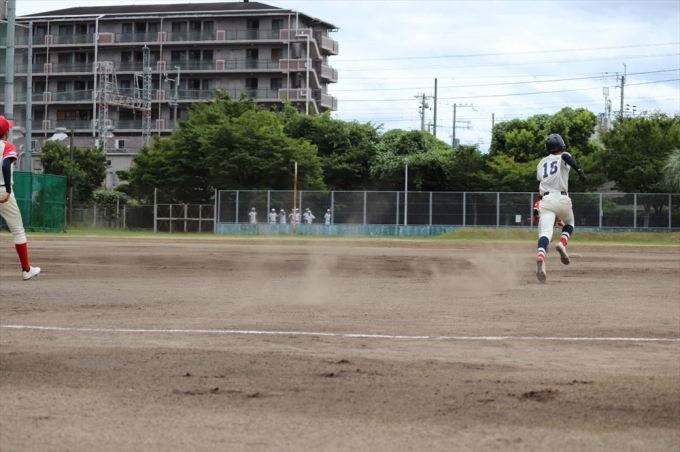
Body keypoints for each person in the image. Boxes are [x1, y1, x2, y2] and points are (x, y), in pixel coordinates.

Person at [535, 133, 587, 283]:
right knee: (569, 223)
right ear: (562, 145)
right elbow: (565, 157)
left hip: (546, 200)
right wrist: (579, 170)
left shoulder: (541, 163)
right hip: (562, 198)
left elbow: (540, 186)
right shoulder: (564, 156)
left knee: (545, 234)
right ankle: (562, 243)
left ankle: (541, 256)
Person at [0, 115, 41, 280]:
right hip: (3, 192)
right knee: (18, 231)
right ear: (7, 132)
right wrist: (8, 190)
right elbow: (5, 164)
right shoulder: (7, 146)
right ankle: (26, 270)